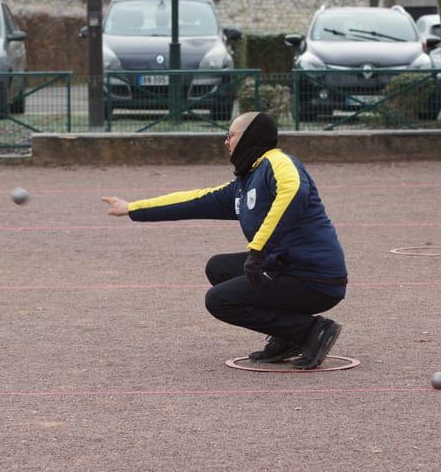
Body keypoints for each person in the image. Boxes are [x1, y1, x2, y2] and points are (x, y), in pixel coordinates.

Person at [101, 112, 347, 369]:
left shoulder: (277, 162)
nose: (226, 142)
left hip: (315, 279)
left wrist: (258, 249)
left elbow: (294, 191)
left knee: (219, 300)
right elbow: (194, 201)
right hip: (286, 266)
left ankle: (312, 331)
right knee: (218, 267)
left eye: (230, 135)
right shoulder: (245, 182)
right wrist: (132, 208)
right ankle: (289, 335)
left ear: (250, 136)